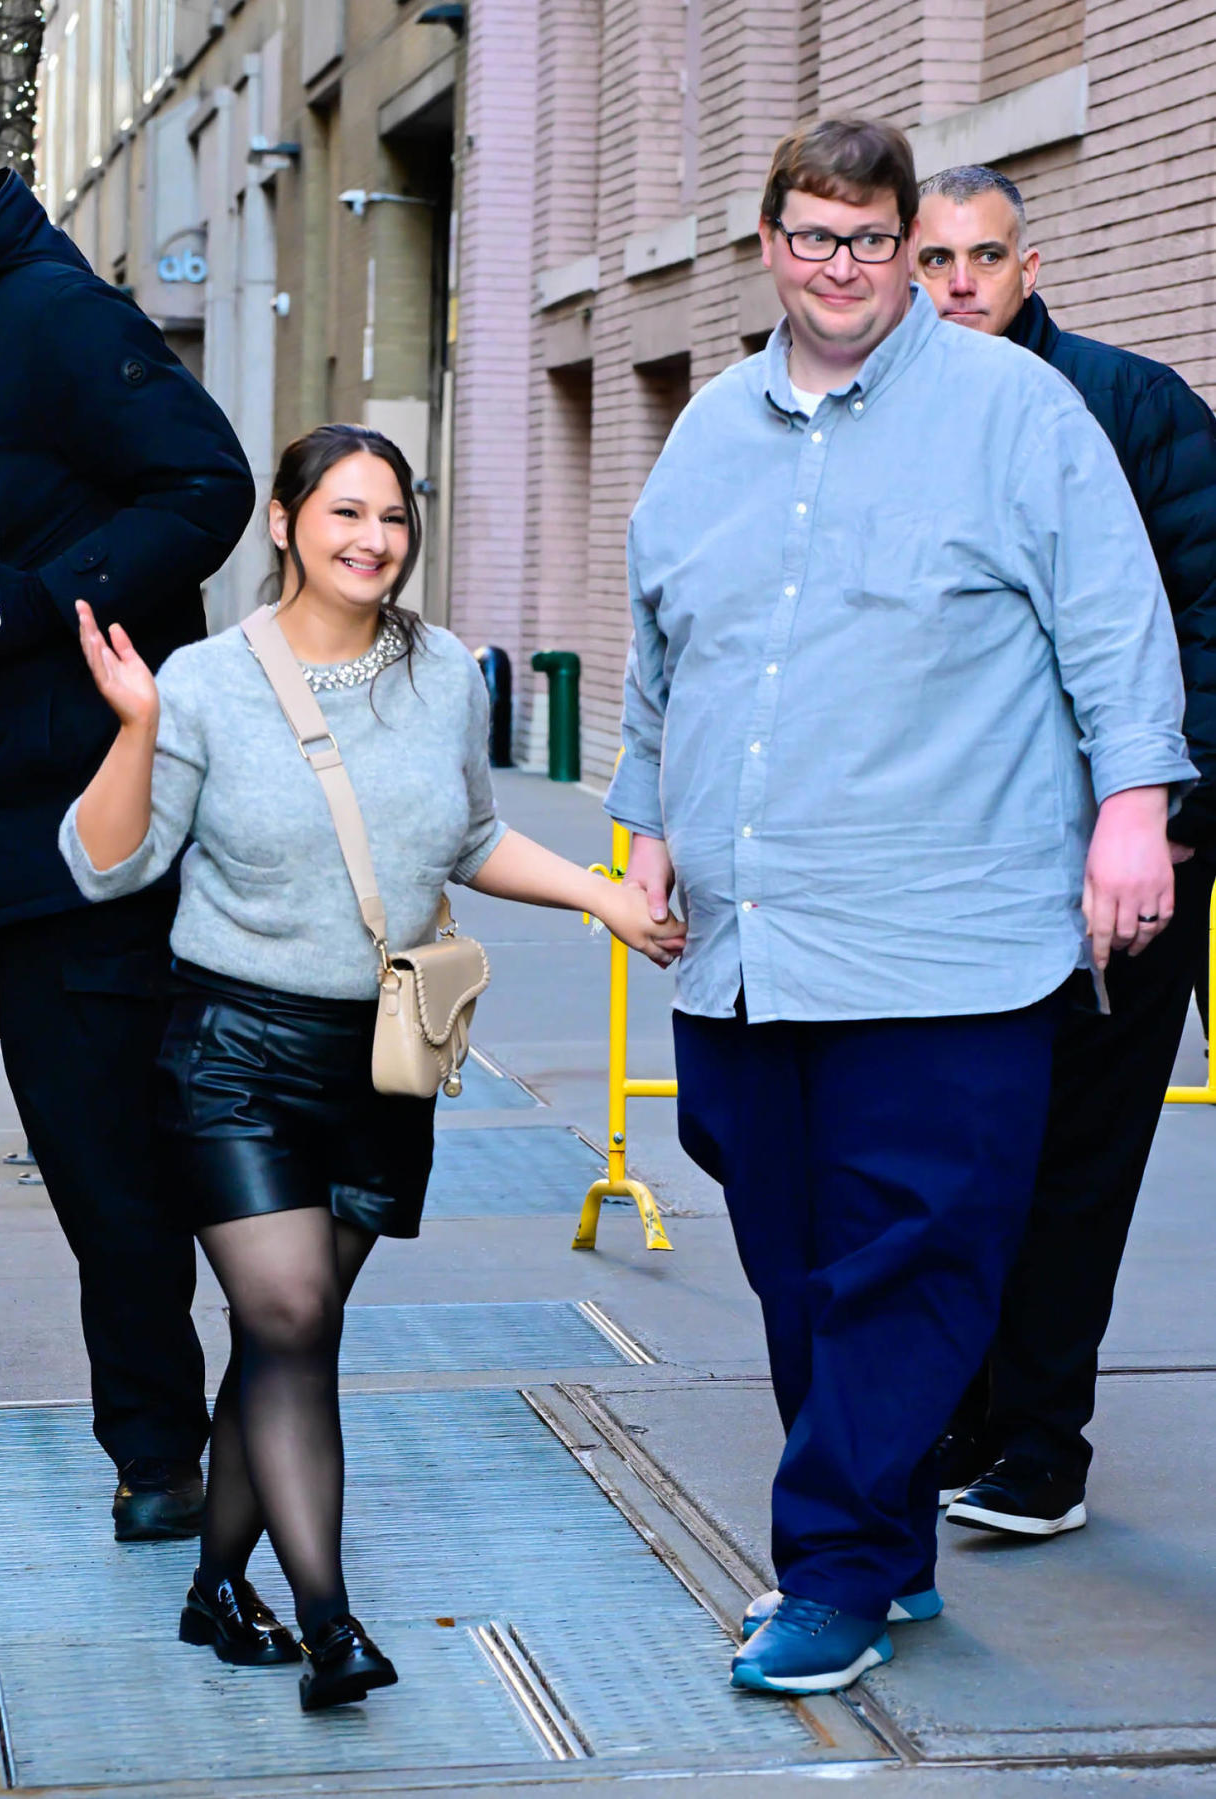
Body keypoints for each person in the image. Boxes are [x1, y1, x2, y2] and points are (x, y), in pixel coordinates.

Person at [606, 117, 1196, 1696]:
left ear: (908, 244)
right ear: (767, 243)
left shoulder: (1018, 414)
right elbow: (667, 654)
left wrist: (1133, 814)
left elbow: (1116, 627)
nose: (844, 268)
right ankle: (881, 1543)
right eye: (813, 236)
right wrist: (642, 829)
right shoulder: (708, 433)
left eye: (872, 239)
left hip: (948, 939)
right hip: (747, 943)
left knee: (916, 1260)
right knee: (797, 1264)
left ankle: (835, 1569)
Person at [59, 422, 684, 1712]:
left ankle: (214, 1584)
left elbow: (470, 835)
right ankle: (331, 1621)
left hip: (384, 1060)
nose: (373, 541)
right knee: (290, 1317)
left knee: (289, 1338)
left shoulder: (446, 672)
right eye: (344, 513)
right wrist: (134, 727)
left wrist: (603, 897)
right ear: (283, 523)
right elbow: (105, 863)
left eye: (393, 518)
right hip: (234, 1051)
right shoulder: (207, 682)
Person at [915, 165, 1216, 1536]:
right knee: (947, 1152)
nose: (959, 281)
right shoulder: (874, 422)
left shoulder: (1133, 406)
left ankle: (1037, 1446)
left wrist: (1162, 820)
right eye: (934, 258)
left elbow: (1207, 624)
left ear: (1029, 265)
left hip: (1122, 863)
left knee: (1075, 1158)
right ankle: (962, 1415)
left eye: (984, 256)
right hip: (945, 866)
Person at [0, 122, 255, 1537]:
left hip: (65, 840)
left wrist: (30, 603)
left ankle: (158, 1457)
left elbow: (208, 487)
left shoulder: (59, 315)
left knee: (104, 1172)